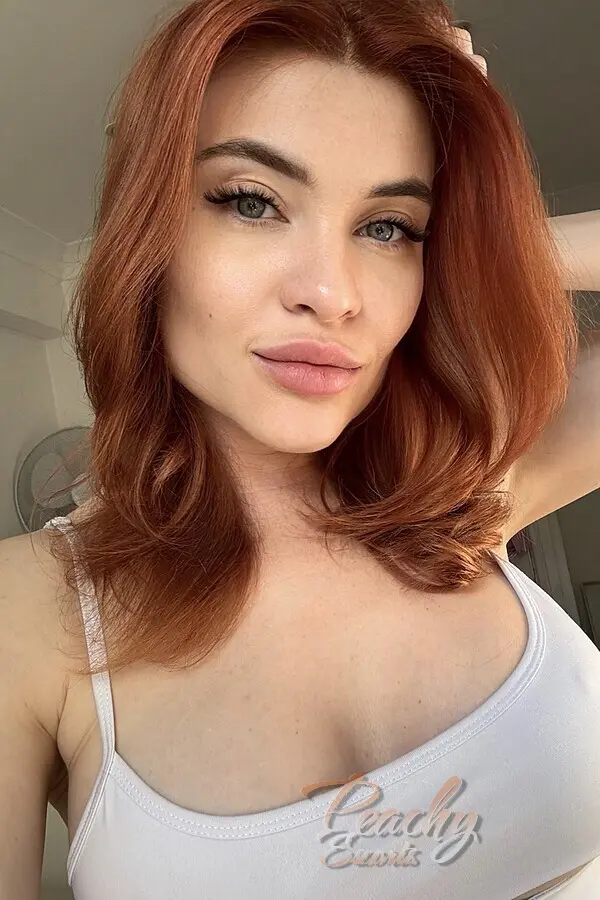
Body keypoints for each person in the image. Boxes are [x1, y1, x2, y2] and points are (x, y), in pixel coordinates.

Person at [1, 0, 599, 897]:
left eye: (389, 226)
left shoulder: (469, 496)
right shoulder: (29, 614)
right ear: (147, 233)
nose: (334, 292)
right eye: (253, 201)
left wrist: (492, 242)